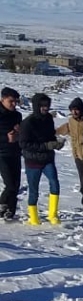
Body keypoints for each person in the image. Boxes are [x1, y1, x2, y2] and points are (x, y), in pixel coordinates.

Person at [20, 93, 62, 224]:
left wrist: (56, 143)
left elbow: (50, 135)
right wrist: (46, 145)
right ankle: (33, 217)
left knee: (54, 183)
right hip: (32, 161)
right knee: (34, 190)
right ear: (36, 106)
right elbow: (23, 144)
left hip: (48, 159)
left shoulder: (49, 118)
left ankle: (53, 214)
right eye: (43, 106)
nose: (45, 108)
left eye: (47, 106)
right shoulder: (27, 123)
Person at [56, 98, 83, 211]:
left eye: (76, 110)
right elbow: (59, 130)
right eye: (72, 110)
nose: (74, 112)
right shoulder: (71, 122)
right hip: (78, 157)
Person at [0, 86, 23, 220]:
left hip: (15, 152)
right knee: (10, 184)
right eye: (11, 101)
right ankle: (2, 204)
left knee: (16, 184)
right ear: (2, 100)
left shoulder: (17, 115)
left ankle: (11, 211)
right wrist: (7, 138)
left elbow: (21, 134)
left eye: (16, 101)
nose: (14, 104)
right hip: (1, 153)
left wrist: (19, 134)